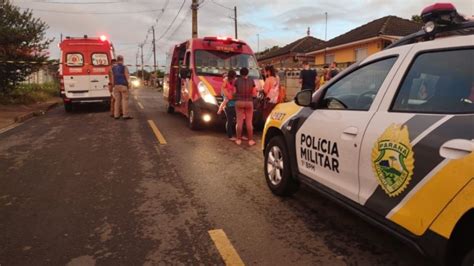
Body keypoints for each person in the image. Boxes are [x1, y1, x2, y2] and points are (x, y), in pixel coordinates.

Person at [234, 67, 256, 146]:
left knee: (239, 121)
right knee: (249, 122)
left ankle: (238, 139)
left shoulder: (237, 81)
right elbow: (254, 93)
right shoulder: (251, 80)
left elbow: (234, 91)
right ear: (247, 73)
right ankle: (250, 140)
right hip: (249, 102)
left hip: (239, 101)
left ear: (240, 73)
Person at [217, 70, 237, 140]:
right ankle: (230, 136)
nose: (235, 78)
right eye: (234, 77)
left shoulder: (232, 81)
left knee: (231, 120)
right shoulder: (225, 82)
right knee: (230, 120)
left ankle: (232, 135)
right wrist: (229, 94)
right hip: (228, 103)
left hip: (232, 103)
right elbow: (224, 92)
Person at [111, 55, 132, 120]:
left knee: (117, 101)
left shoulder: (113, 68)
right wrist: (129, 84)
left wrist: (113, 86)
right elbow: (127, 76)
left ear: (117, 60)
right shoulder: (124, 67)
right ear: (122, 60)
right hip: (123, 85)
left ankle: (116, 115)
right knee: (125, 100)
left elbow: (112, 78)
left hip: (116, 86)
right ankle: (125, 115)